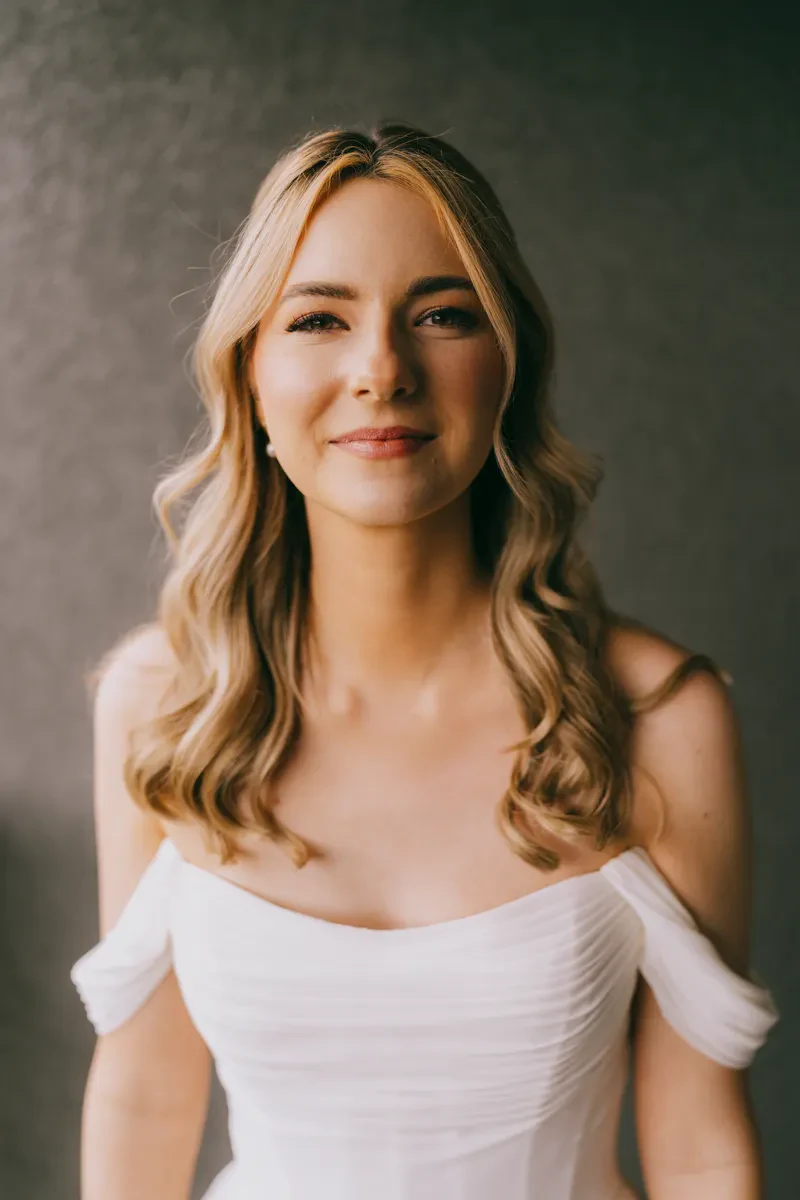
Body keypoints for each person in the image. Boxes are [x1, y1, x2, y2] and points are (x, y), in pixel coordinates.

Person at [70, 122, 779, 1200]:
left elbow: (695, 1146)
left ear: (507, 364)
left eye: (441, 316)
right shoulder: (163, 705)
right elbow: (144, 1097)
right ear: (249, 375)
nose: (381, 371)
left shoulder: (656, 716)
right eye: (318, 319)